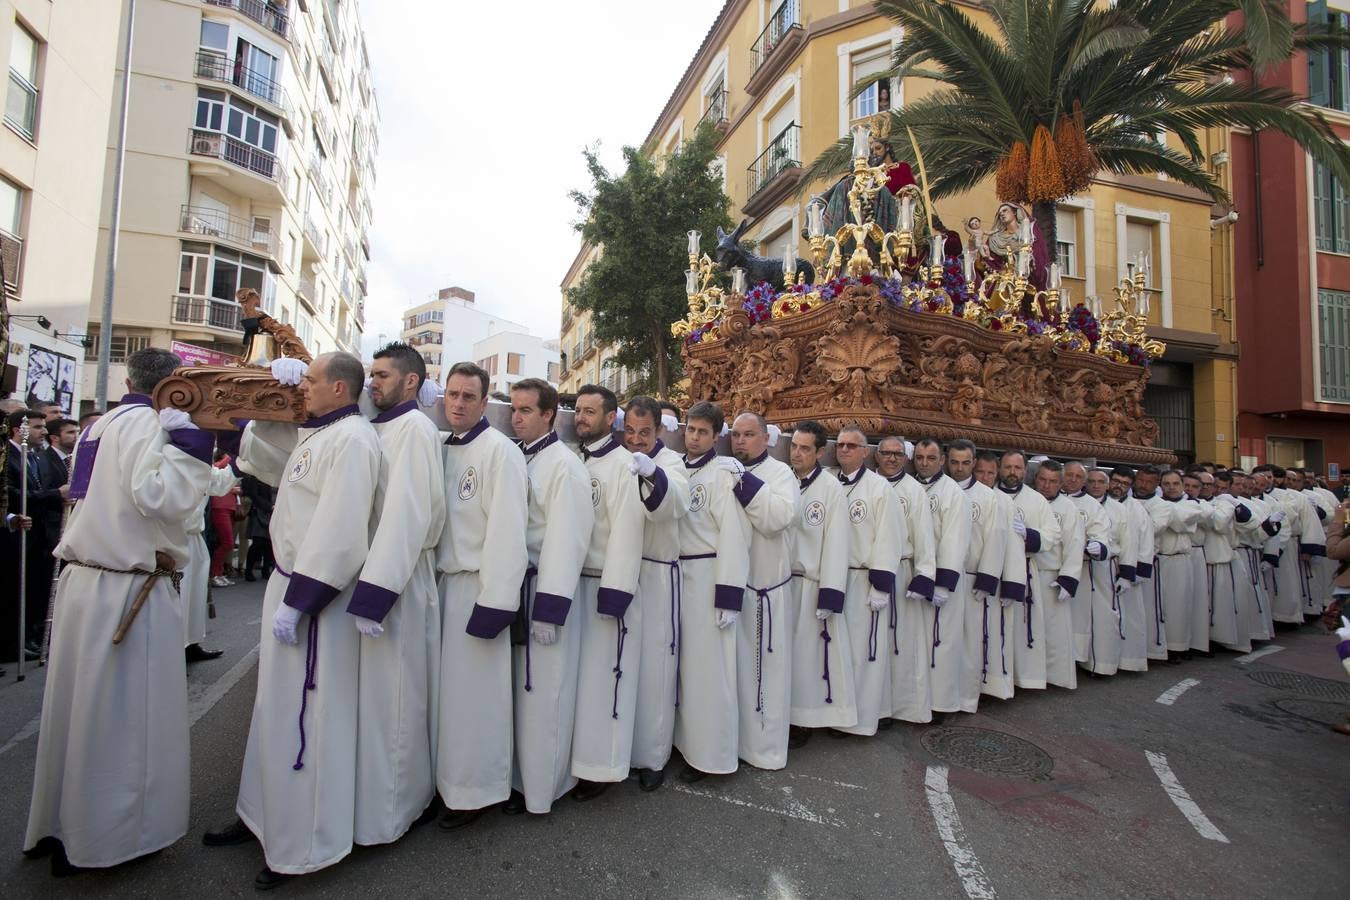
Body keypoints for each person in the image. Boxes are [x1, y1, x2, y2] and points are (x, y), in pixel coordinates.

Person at [25, 347, 214, 875]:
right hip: (124, 588)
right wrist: (193, 445)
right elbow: (163, 498)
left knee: (76, 713)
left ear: (129, 378)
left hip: (86, 580)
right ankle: (105, 840)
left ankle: (62, 826)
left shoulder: (98, 424)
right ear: (173, 386)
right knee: (120, 722)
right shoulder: (147, 426)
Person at [204, 352, 381, 888]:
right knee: (274, 710)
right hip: (288, 584)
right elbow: (266, 461)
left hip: (312, 597)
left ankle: (301, 843)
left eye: (309, 380)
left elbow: (342, 528)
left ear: (340, 389)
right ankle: (262, 816)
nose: (301, 387)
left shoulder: (354, 439)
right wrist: (265, 409)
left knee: (309, 716)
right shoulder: (319, 432)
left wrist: (300, 599)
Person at [344, 343, 447, 845]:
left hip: (398, 578)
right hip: (369, 573)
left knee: (397, 697)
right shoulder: (370, 425)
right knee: (370, 701)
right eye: (370, 374)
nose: (373, 383)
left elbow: (406, 513)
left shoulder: (415, 430)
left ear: (411, 382)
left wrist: (376, 591)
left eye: (382, 375)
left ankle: (399, 809)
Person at [432, 361, 528, 828]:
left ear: (485, 402)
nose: (458, 404)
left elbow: (509, 533)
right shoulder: (441, 446)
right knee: (447, 699)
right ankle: (447, 783)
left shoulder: (499, 452)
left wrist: (496, 603)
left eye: (469, 396)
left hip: (478, 587)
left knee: (476, 700)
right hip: (443, 587)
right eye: (452, 394)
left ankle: (476, 792)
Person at [507, 378, 592, 814]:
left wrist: (550, 610)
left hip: (544, 589)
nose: (516, 417)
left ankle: (544, 788)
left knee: (545, 692)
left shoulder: (564, 465)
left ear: (548, 414)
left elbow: (567, 539)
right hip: (516, 586)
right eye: (514, 409)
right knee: (518, 693)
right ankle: (518, 781)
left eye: (526, 410)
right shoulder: (514, 456)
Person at [569, 384, 645, 800]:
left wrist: (615, 592)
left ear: (611, 418)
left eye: (590, 412)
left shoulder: (623, 465)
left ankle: (600, 767)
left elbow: (628, 533)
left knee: (603, 680)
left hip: (602, 583)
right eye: (578, 410)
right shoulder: (572, 458)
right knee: (576, 681)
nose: (581, 417)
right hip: (569, 583)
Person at [674, 401, 752, 778]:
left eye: (703, 432)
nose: (694, 436)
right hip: (677, 578)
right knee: (681, 668)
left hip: (707, 577)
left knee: (709, 672)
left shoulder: (722, 475)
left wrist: (728, 596)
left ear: (716, 435)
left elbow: (734, 537)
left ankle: (710, 757)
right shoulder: (675, 467)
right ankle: (682, 743)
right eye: (691, 429)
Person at [624, 395, 690, 792]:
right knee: (624, 665)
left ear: (659, 430)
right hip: (625, 572)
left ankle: (652, 755)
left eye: (644, 433)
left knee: (654, 670)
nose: (636, 439)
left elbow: (673, 505)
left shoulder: (671, 463)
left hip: (658, 576)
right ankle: (622, 749)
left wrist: (652, 473)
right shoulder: (620, 457)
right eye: (630, 431)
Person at [726, 412, 799, 766]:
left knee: (764, 674)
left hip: (765, 590)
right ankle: (728, 743)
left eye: (749, 434)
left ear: (765, 438)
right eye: (736, 434)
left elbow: (776, 520)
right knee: (730, 673)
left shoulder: (781, 473)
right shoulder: (725, 469)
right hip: (729, 588)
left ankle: (763, 749)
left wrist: (743, 482)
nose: (740, 441)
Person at [829, 426, 908, 734]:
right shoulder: (831, 482)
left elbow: (890, 537)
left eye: (852, 445)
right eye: (841, 444)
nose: (845, 449)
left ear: (865, 452)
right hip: (835, 577)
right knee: (837, 651)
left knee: (863, 653)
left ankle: (861, 719)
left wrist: (881, 584)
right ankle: (837, 712)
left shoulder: (878, 488)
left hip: (863, 578)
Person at [874, 436, 940, 719]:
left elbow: (924, 535)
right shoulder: (866, 483)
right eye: (886, 453)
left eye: (897, 454)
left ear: (905, 458)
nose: (891, 459)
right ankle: (871, 706)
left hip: (900, 573)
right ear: (876, 455)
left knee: (899, 645)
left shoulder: (913, 491)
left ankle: (896, 708)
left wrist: (924, 574)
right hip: (866, 572)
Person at [946, 440, 1016, 704]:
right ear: (947, 461)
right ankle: (943, 694)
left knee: (970, 641)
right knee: (944, 641)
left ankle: (966, 696)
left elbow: (996, 539)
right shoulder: (940, 490)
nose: (960, 468)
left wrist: (986, 579)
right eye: (954, 462)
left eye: (965, 463)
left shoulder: (989, 498)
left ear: (974, 463)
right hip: (944, 578)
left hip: (972, 577)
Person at [911, 438, 971, 716]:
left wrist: (943, 583)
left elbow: (954, 540)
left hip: (940, 580)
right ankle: (918, 700)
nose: (924, 463)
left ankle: (941, 703)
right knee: (917, 644)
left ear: (941, 460)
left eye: (930, 458)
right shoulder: (912, 486)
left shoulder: (951, 493)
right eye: (920, 457)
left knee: (942, 642)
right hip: (915, 576)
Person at [998, 451, 1060, 691]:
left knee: (1021, 627)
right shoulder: (989, 494)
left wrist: (1029, 535)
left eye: (1017, 467)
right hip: (995, 568)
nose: (1012, 472)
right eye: (1007, 467)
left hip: (1024, 567)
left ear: (1025, 471)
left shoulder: (1036, 500)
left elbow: (1052, 534)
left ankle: (1022, 679)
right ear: (1000, 468)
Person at [1033, 461, 1093, 689]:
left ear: (1061, 483)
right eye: (1042, 479)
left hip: (1051, 576)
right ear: (1036, 479)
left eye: (1052, 481)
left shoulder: (1067, 508)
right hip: (1026, 574)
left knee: (1054, 632)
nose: (1046, 485)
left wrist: (1068, 578)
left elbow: (1074, 544)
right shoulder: (1028, 501)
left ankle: (1054, 676)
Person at [1074, 465, 1131, 676]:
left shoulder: (1119, 509)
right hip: (1078, 566)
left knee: (1104, 617)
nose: (1096, 485)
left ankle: (1102, 664)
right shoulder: (1077, 503)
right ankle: (1078, 659)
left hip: (1105, 567)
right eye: (1092, 481)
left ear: (1107, 485)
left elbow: (1128, 542)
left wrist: (1126, 574)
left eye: (1100, 482)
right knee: (1078, 617)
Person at [1147, 470, 1204, 663]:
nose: (1171, 487)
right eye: (1166, 484)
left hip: (1178, 560)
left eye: (1175, 483)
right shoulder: (1156, 503)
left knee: (1178, 607)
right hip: (1157, 560)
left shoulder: (1192, 504)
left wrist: (1161, 512)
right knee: (1155, 606)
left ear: (1182, 485)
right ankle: (1155, 646)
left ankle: (1177, 647)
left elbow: (1178, 523)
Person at [181, 460, 236, 663]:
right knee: (178, 596)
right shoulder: (166, 451)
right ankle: (171, 649)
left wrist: (237, 458)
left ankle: (190, 643)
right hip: (169, 537)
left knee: (193, 596)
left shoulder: (197, 458)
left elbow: (219, 483)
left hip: (193, 536)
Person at [209, 450, 240, 587]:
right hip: (220, 507)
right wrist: (232, 455)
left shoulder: (224, 469)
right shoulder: (217, 466)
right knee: (227, 543)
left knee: (226, 543)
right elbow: (217, 468)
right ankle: (215, 574)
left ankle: (219, 573)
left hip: (229, 507)